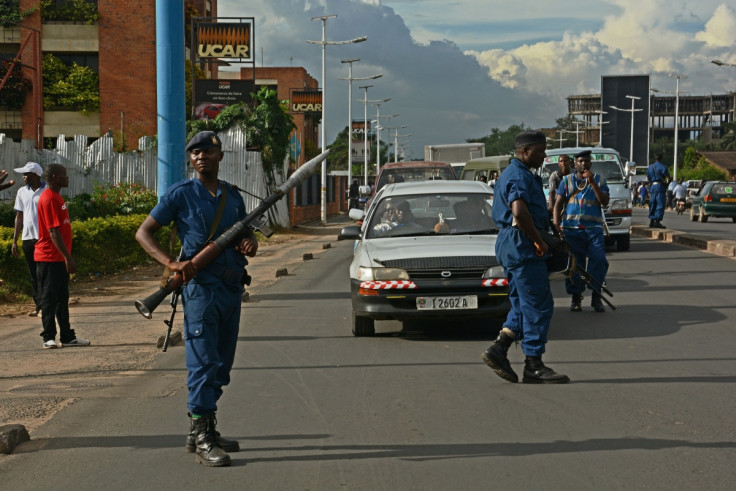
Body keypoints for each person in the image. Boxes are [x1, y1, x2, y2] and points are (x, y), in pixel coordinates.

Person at [135, 131, 258, 467]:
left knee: (222, 366)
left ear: (220, 156)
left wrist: (249, 243)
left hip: (232, 289)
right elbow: (143, 232)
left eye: (208, 151)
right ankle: (203, 435)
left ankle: (200, 429)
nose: (201, 157)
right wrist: (171, 263)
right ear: (191, 159)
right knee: (203, 363)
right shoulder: (181, 194)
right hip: (200, 289)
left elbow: (244, 232)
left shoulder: (233, 197)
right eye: (195, 153)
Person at [481, 130, 569, 384]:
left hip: (514, 243)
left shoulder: (519, 173)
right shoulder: (518, 175)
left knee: (521, 303)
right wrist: (539, 241)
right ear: (524, 151)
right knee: (538, 304)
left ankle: (499, 348)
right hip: (522, 243)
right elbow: (519, 213)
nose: (543, 156)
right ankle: (534, 365)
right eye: (539, 151)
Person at [35, 164, 91, 349]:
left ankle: (67, 336)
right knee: (49, 299)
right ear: (53, 177)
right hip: (49, 258)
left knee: (62, 298)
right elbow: (53, 232)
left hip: (57, 258)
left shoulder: (57, 196)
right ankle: (48, 337)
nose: (67, 178)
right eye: (63, 175)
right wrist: (68, 257)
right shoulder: (49, 198)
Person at [553, 150, 610, 313]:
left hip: (594, 231)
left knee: (599, 261)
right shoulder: (566, 181)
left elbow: (604, 202)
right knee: (574, 266)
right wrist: (556, 224)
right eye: (580, 161)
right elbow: (557, 205)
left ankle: (596, 296)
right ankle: (576, 297)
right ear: (574, 164)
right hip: (572, 231)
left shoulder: (599, 180)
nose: (583, 164)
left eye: (586, 161)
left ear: (590, 163)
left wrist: (592, 183)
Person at [11, 162, 46, 316]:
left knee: (43, 274)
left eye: (26, 174)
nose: (23, 177)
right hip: (28, 239)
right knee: (33, 275)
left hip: (43, 238)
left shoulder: (47, 191)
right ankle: (38, 306)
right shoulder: (21, 192)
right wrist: (14, 241)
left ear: (35, 175)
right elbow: (19, 216)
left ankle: (46, 305)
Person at [647, 153, 670, 228]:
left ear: (655, 158)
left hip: (653, 187)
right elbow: (668, 178)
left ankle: (651, 221)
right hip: (660, 187)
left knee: (652, 203)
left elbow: (648, 177)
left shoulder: (650, 167)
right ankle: (657, 222)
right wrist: (667, 183)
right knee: (660, 204)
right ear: (661, 158)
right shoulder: (663, 167)